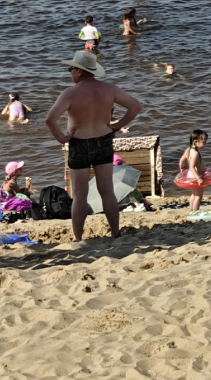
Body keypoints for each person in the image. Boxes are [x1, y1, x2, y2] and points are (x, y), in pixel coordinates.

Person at [44, 51, 144, 240]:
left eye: (71, 69)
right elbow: (135, 106)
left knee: (80, 195)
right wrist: (119, 125)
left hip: (79, 144)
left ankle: (78, 237)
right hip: (103, 140)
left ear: (79, 71)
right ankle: (115, 232)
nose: (70, 73)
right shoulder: (109, 89)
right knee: (107, 191)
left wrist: (62, 138)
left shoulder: (70, 93)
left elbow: (50, 119)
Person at [177, 130, 211, 211]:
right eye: (204, 142)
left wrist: (181, 168)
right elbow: (192, 167)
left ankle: (191, 210)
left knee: (194, 194)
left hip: (191, 175)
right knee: (198, 196)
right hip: (197, 175)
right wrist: (199, 178)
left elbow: (181, 160)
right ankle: (195, 212)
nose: (205, 144)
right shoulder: (195, 153)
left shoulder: (188, 150)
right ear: (195, 142)